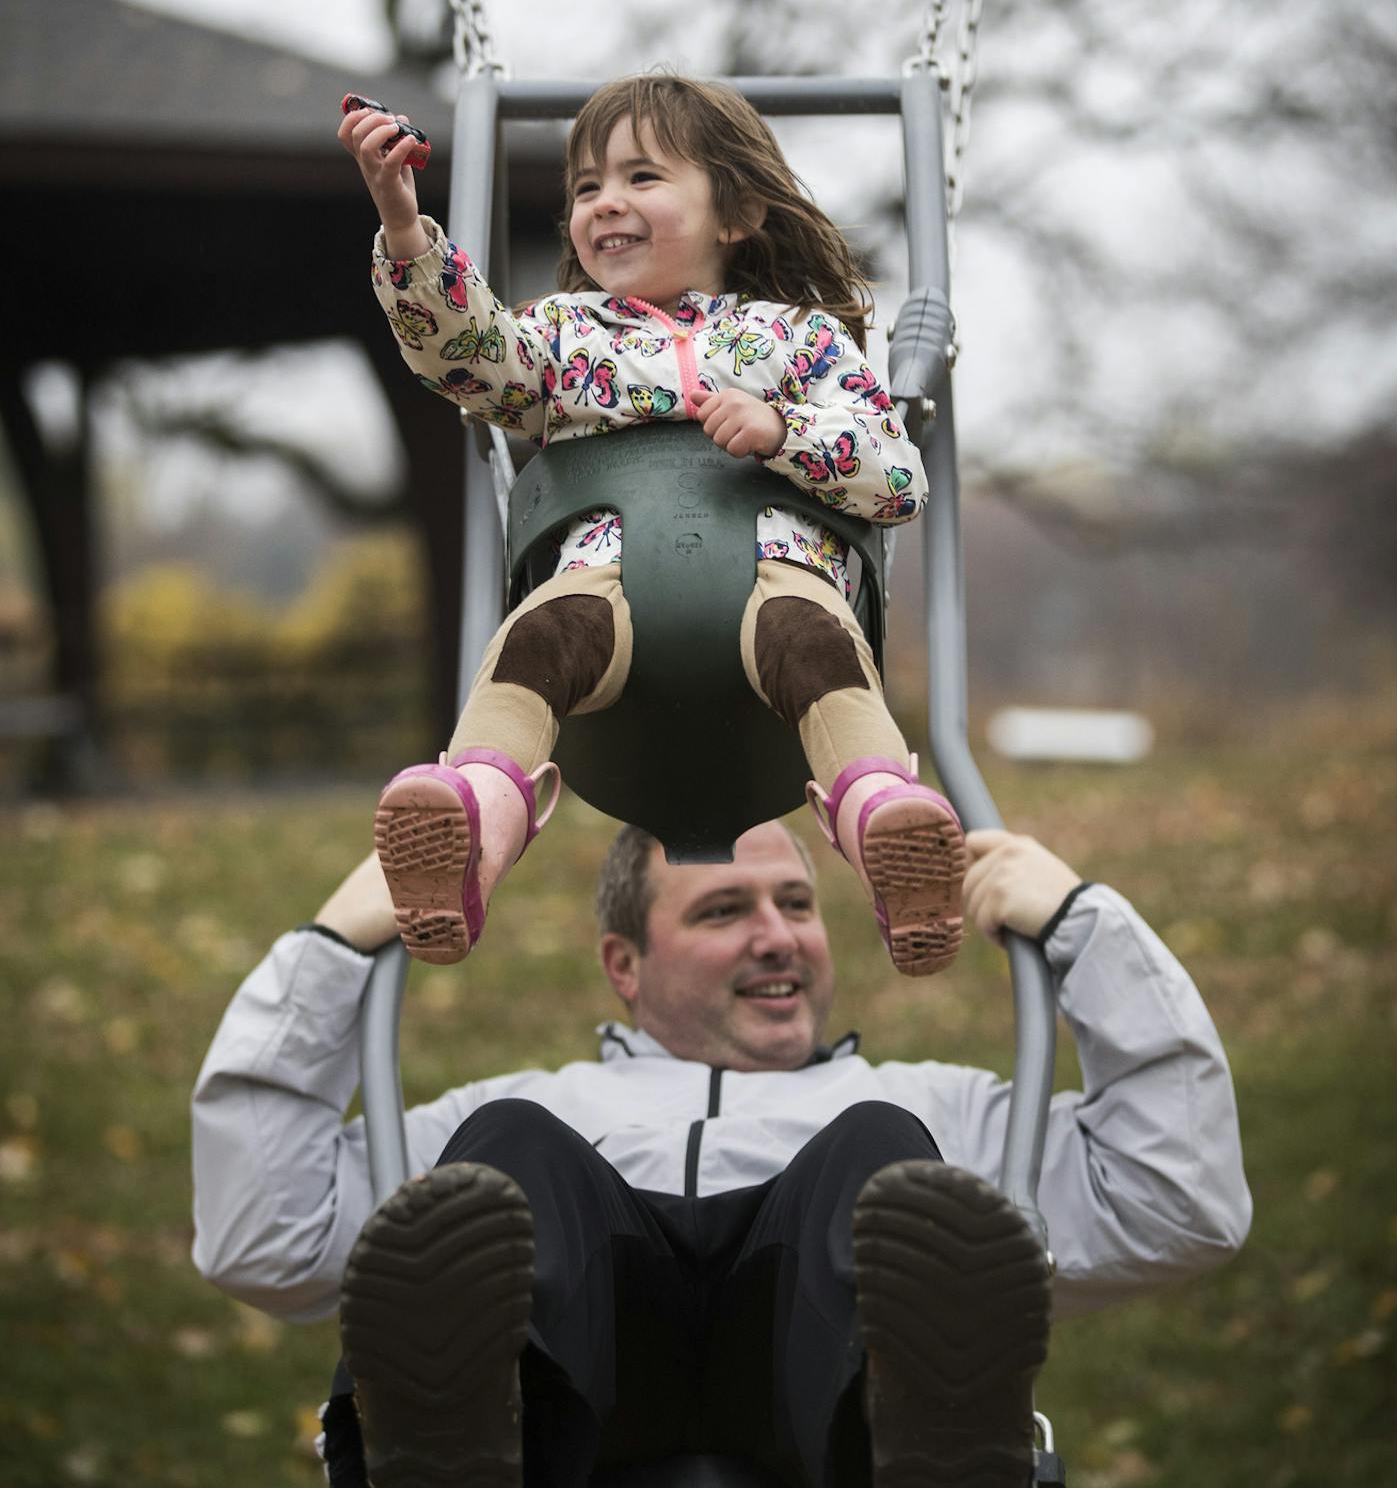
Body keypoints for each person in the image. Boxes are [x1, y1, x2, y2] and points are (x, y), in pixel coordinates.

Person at [190, 818, 1252, 1488]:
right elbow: (263, 1232)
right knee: (500, 1159)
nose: (777, 934)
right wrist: (335, 944)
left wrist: (1080, 926)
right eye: (722, 909)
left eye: (795, 903)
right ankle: (462, 1445)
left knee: (882, 1158)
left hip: (808, 1369)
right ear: (624, 963)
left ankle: (920, 1443)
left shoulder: (937, 1113)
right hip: (585, 1378)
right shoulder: (519, 1114)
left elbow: (1177, 1201)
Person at [339, 72, 966, 979]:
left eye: (642, 177)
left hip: (775, 579)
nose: (606, 204)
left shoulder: (802, 340)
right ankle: (468, 829)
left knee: (816, 642)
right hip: (604, 589)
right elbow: (467, 359)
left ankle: (885, 826)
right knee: (537, 638)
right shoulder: (557, 338)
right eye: (587, 187)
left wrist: (784, 429)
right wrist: (403, 225)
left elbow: (897, 473)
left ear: (738, 210)